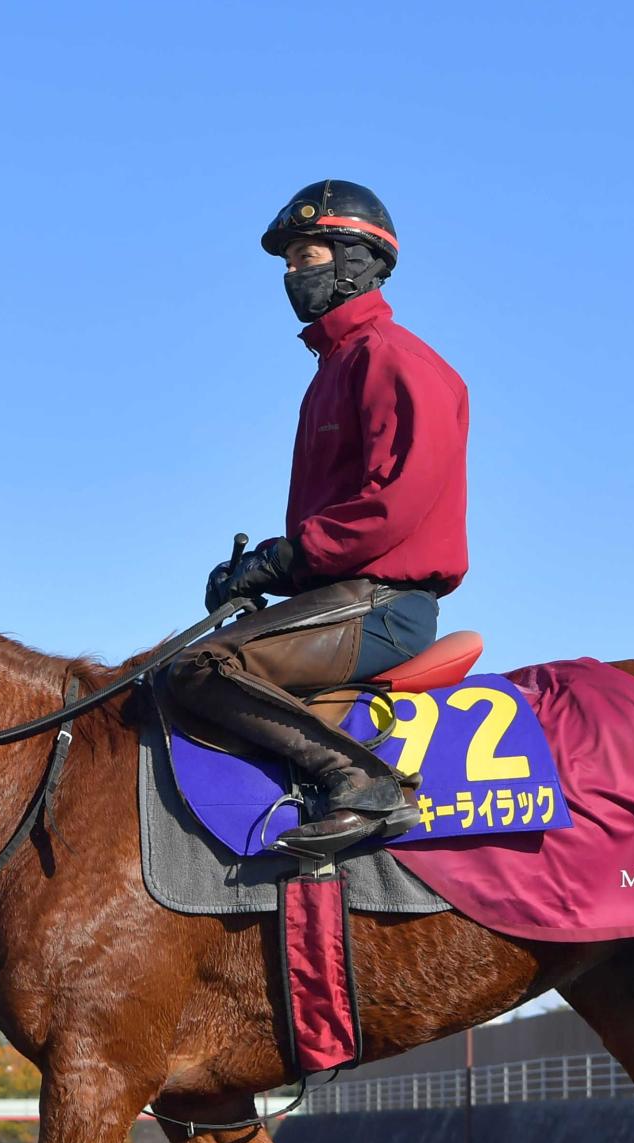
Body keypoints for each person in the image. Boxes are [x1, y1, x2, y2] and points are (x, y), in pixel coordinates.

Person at [171, 179, 471, 858]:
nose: (290, 275)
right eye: (286, 264)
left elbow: (387, 510)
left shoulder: (396, 363)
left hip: (382, 609)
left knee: (200, 669)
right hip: (341, 596)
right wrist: (262, 573)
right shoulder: (335, 367)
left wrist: (282, 559)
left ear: (353, 261)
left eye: (304, 258)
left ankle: (365, 786)